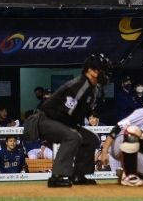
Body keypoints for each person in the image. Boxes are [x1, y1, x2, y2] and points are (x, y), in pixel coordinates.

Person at [25, 54, 112, 187]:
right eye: (100, 69)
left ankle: (78, 175)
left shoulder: (92, 89)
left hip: (59, 120)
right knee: (73, 137)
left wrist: (75, 126)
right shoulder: (80, 85)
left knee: (91, 139)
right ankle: (57, 177)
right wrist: (74, 128)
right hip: (43, 120)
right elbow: (64, 112)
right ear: (90, 71)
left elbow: (79, 113)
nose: (103, 73)